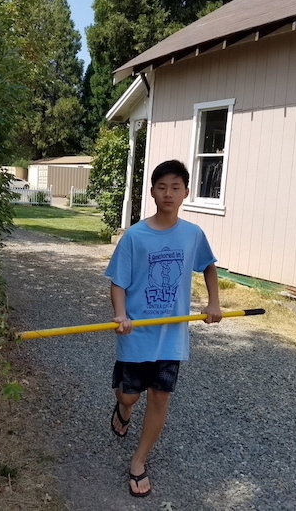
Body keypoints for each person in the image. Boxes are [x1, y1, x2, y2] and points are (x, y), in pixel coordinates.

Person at [104, 159, 222, 497]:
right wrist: (120, 314)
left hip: (171, 336)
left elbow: (208, 266)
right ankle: (123, 408)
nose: (168, 193)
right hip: (136, 333)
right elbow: (118, 282)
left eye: (175, 187)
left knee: (159, 397)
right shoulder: (135, 236)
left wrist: (213, 303)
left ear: (186, 193)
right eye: (161, 187)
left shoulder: (192, 234)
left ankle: (139, 460)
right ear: (152, 192)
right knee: (128, 394)